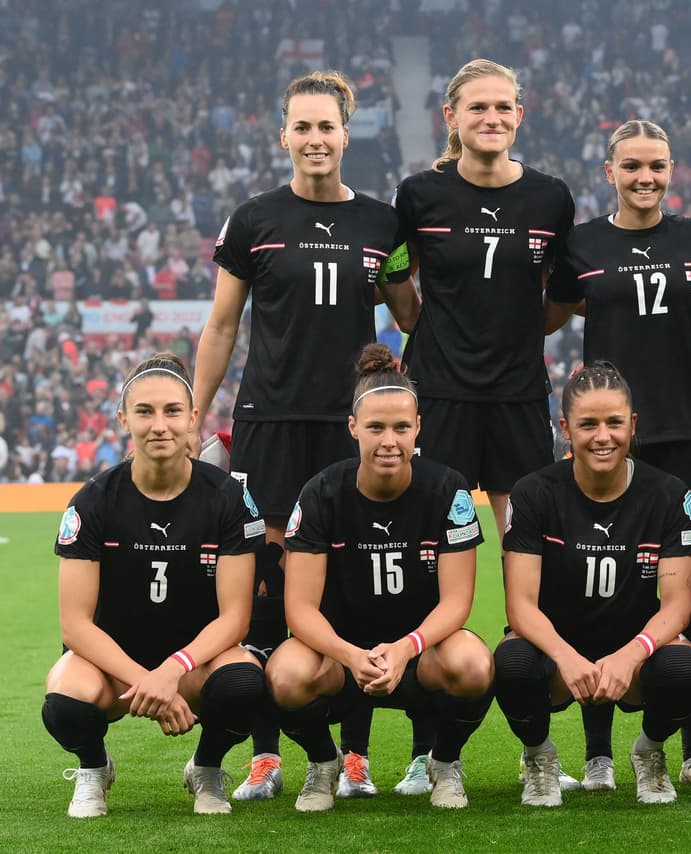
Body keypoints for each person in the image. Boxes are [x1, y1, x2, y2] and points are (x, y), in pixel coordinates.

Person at [191, 70, 423, 802]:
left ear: (346, 135)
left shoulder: (383, 225)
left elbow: (412, 315)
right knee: (266, 582)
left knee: (345, 582)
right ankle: (268, 753)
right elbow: (224, 324)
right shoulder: (253, 219)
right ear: (283, 134)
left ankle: (353, 754)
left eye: (329, 127)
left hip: (346, 429)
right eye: (304, 126)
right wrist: (197, 413)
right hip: (268, 423)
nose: (317, 139)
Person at [545, 119, 691, 790]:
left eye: (657, 166)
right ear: (609, 172)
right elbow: (552, 313)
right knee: (608, 585)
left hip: (684, 433)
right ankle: (596, 754)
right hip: (607, 433)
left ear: (672, 170)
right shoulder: (582, 244)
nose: (645, 178)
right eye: (632, 167)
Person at [265, 344, 495, 812]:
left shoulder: (449, 489)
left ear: (418, 429)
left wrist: (405, 648)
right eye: (375, 427)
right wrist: (351, 655)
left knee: (475, 665)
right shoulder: (321, 493)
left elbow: (457, 601)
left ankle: (444, 762)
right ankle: (324, 762)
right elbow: (300, 608)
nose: (389, 440)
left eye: (400, 427)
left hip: (419, 653)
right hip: (342, 658)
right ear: (353, 428)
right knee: (285, 675)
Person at [44, 353, 266, 817]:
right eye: (144, 412)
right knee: (64, 700)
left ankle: (205, 768)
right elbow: (75, 625)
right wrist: (146, 679)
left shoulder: (226, 498)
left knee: (246, 685)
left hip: (195, 660)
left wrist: (171, 672)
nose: (159, 425)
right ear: (124, 418)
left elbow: (235, 618)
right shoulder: (93, 501)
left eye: (171, 411)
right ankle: (93, 768)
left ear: (192, 418)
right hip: (114, 663)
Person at [494, 362, 691, 807]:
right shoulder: (533, 493)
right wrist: (567, 658)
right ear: (566, 428)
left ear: (633, 424)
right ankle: (538, 756)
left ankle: (648, 750)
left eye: (614, 423)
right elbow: (521, 606)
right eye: (588, 424)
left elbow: (676, 607)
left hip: (636, 653)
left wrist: (630, 656)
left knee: (684, 667)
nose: (602, 436)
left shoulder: (668, 494)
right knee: (510, 662)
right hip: (557, 653)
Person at [395, 58, 575, 540]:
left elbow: (561, 290)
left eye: (502, 107)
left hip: (518, 389)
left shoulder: (551, 197)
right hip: (438, 387)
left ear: (519, 115)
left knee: (527, 536)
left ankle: (522, 621)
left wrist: (529, 329)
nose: (491, 117)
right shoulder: (418, 194)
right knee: (430, 534)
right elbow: (395, 271)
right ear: (451, 117)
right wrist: (416, 320)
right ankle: (439, 621)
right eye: (477, 107)